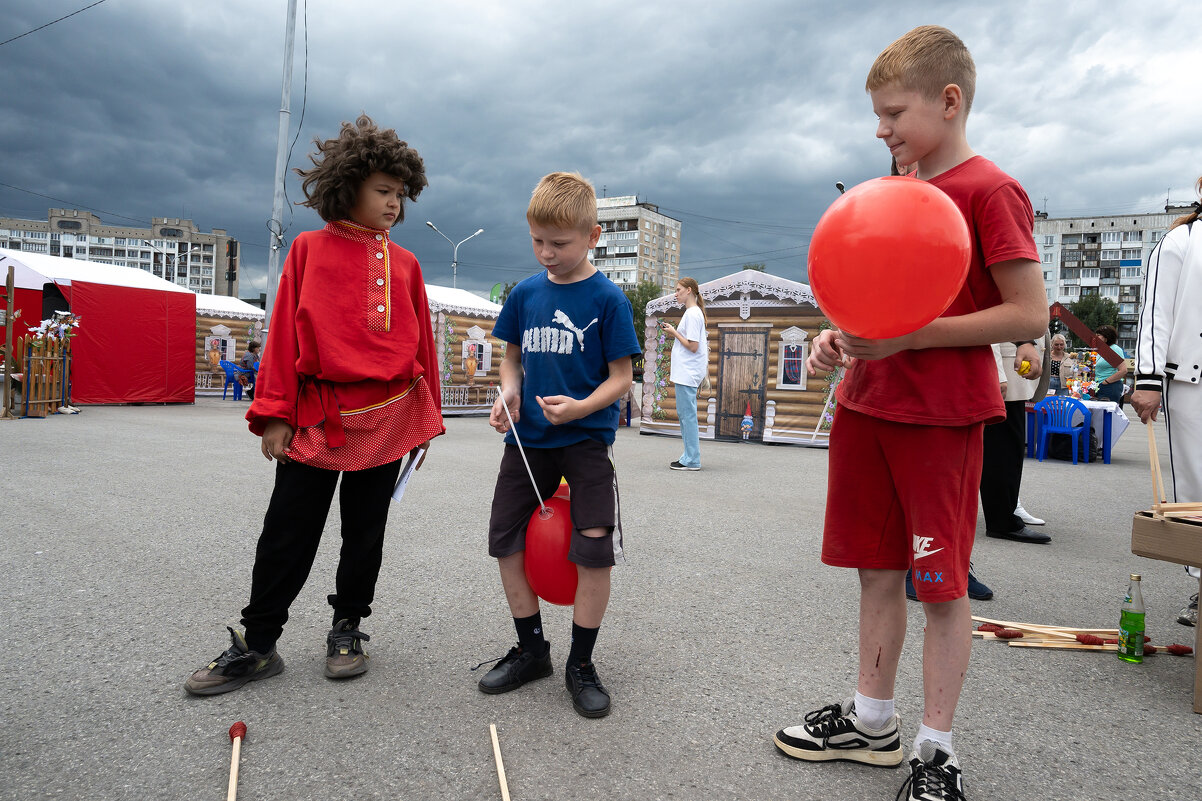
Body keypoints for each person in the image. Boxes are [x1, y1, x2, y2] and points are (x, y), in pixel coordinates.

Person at [773, 26, 1048, 801]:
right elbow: (875, 302)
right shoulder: (891, 196)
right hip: (869, 409)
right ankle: (872, 722)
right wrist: (840, 336)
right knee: (875, 573)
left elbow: (1028, 314)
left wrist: (914, 336)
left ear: (949, 101)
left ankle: (938, 750)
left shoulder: (990, 191)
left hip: (939, 419)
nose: (881, 129)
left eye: (894, 112)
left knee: (942, 587)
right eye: (878, 115)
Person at [184, 115, 444, 695]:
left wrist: (424, 420)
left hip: (388, 415)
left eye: (400, 194)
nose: (393, 204)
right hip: (315, 417)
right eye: (383, 191)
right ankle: (258, 644)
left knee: (365, 531)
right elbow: (283, 338)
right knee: (287, 531)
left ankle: (348, 627)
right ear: (348, 186)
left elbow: (423, 345)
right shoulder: (307, 249)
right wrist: (274, 411)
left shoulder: (407, 265)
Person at [478, 172, 641, 718]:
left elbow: (621, 379)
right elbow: (511, 360)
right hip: (529, 444)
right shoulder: (525, 294)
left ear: (593, 236)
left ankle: (581, 663)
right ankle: (532, 650)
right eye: (537, 241)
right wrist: (509, 394)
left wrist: (580, 408)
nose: (547, 253)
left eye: (560, 243)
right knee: (505, 538)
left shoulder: (609, 299)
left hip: (587, 444)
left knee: (593, 548)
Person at [1131, 177, 1202, 629]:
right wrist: (1149, 379)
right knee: (1198, 495)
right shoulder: (1181, 240)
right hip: (1194, 383)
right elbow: (1155, 312)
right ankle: (1201, 588)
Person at [981, 340, 1050, 544]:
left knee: (1008, 450)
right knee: (1002, 452)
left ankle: (1007, 510)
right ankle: (1002, 520)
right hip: (1006, 374)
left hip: (1014, 373)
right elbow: (990, 327)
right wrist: (996, 373)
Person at [660, 277, 708, 470]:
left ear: (689, 290)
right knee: (685, 414)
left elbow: (693, 346)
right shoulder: (693, 313)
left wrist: (673, 332)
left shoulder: (693, 314)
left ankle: (692, 459)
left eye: (679, 289)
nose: (676, 293)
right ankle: (689, 456)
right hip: (686, 372)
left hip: (688, 372)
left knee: (687, 415)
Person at [1092, 324, 1128, 405]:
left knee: (1108, 414)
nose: (1095, 337)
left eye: (1098, 335)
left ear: (1106, 337)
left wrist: (1106, 382)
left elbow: (1123, 370)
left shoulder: (1114, 349)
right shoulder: (1101, 351)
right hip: (1099, 387)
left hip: (1110, 387)